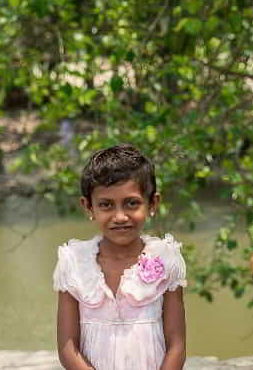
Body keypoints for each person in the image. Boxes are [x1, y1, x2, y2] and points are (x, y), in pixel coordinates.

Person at [53, 144, 186, 370]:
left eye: (131, 203)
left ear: (152, 203)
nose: (120, 216)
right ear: (89, 207)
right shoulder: (73, 263)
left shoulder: (166, 259)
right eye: (106, 205)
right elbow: (68, 349)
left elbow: (177, 345)